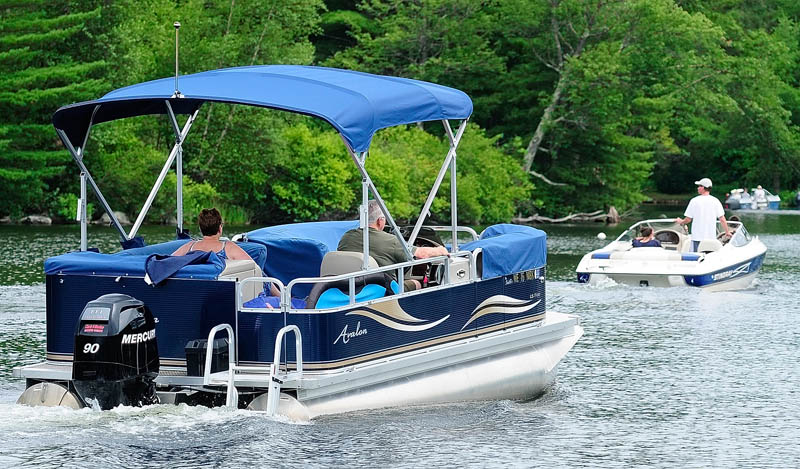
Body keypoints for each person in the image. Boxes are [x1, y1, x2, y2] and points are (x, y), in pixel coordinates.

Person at [338, 200, 449, 291]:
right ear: (380, 221)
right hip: (384, 289)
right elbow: (421, 254)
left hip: (349, 287)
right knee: (417, 283)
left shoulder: (346, 237)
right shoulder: (391, 240)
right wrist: (440, 250)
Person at [173, 208, 280, 300]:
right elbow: (255, 269)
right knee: (260, 273)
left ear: (200, 229)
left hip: (193, 294)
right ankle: (280, 296)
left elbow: (168, 261)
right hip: (222, 296)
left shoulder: (189, 246)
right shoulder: (228, 247)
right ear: (220, 228)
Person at [675, 178, 732, 252]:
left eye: (699, 186)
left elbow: (688, 219)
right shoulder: (715, 201)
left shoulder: (694, 201)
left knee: (697, 256)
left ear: (703, 187)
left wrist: (681, 222)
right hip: (711, 238)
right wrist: (727, 232)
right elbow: (722, 219)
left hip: (697, 238)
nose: (697, 188)